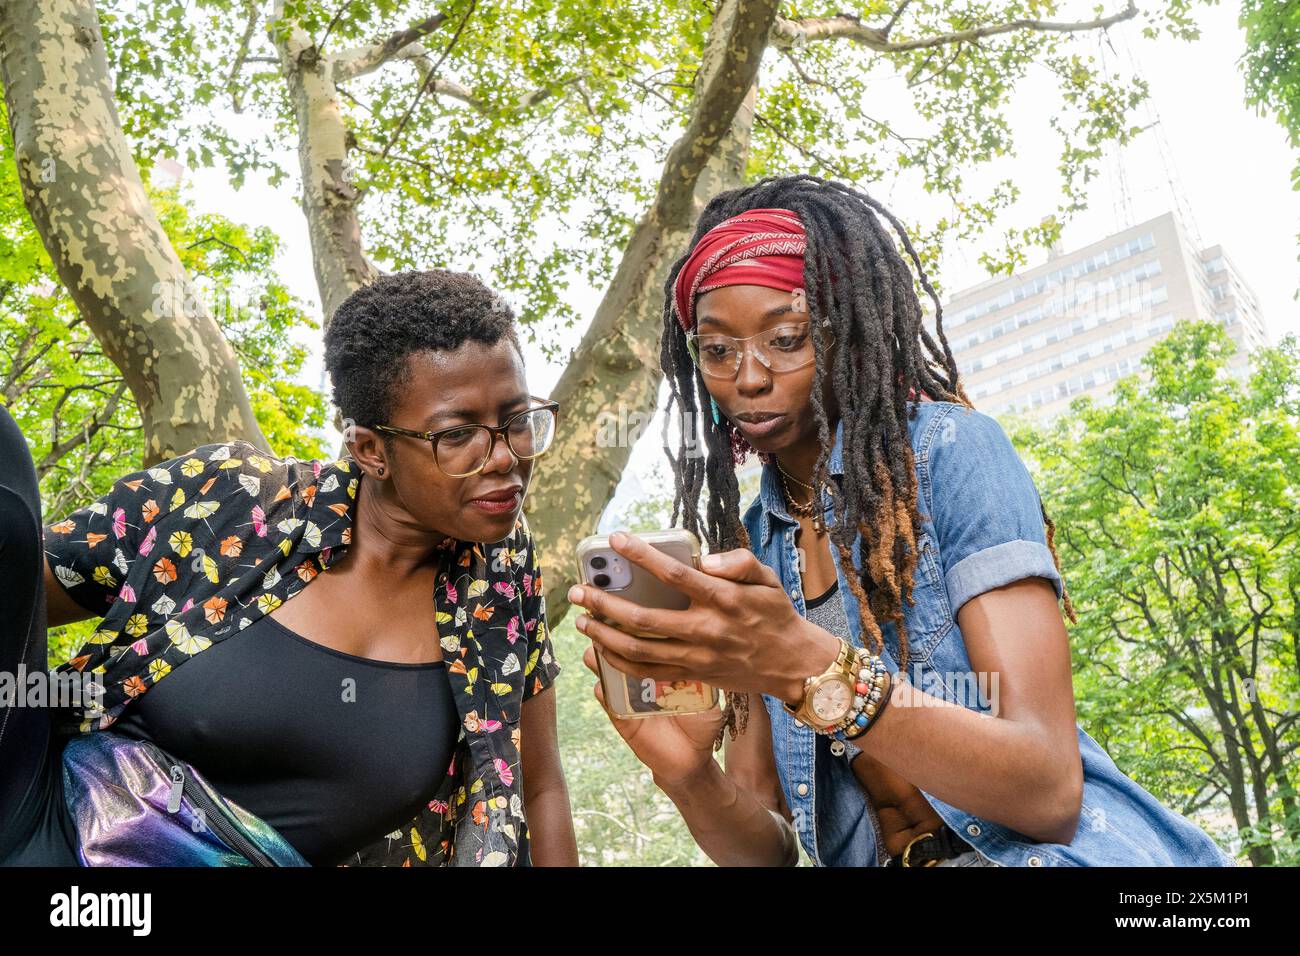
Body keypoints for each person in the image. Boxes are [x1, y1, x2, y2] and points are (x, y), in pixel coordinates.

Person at [571, 175, 1234, 867]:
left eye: (787, 337)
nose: (749, 376)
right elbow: (765, 853)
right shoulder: (750, 548)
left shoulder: (953, 454)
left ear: (848, 334)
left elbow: (1046, 788)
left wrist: (810, 668)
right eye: (716, 350)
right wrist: (687, 776)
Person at [0, 269, 577, 867]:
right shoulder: (229, 499)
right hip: (43, 826)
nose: (507, 456)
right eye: (457, 434)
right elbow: (17, 603)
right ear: (370, 450)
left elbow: (540, 789)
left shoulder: (499, 582)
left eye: (516, 420)